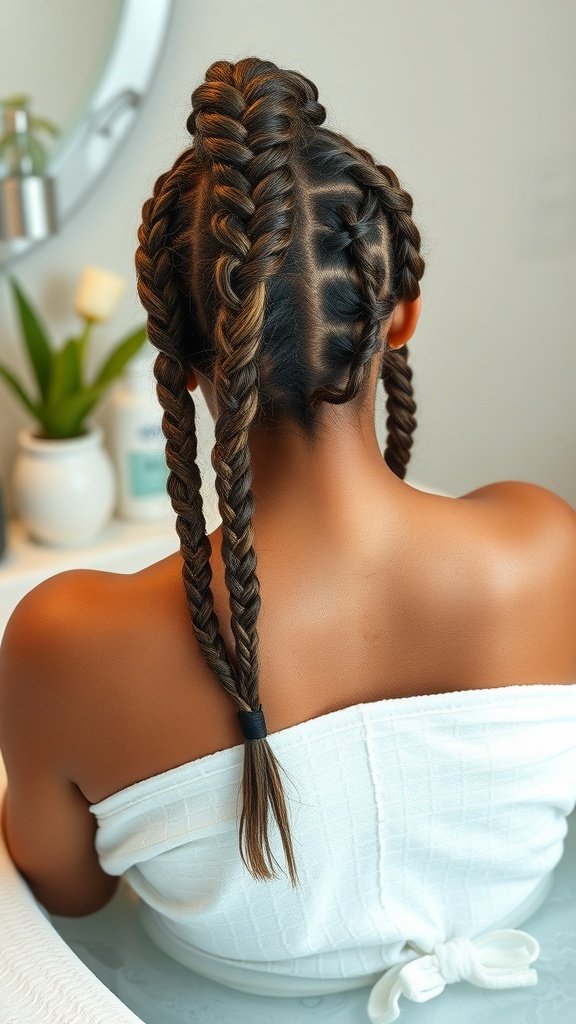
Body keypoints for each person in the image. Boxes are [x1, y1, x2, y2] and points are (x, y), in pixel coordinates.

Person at [1, 56, 576, 1024]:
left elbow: (66, 897)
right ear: (401, 317)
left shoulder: (68, 643)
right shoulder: (543, 546)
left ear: (181, 360)